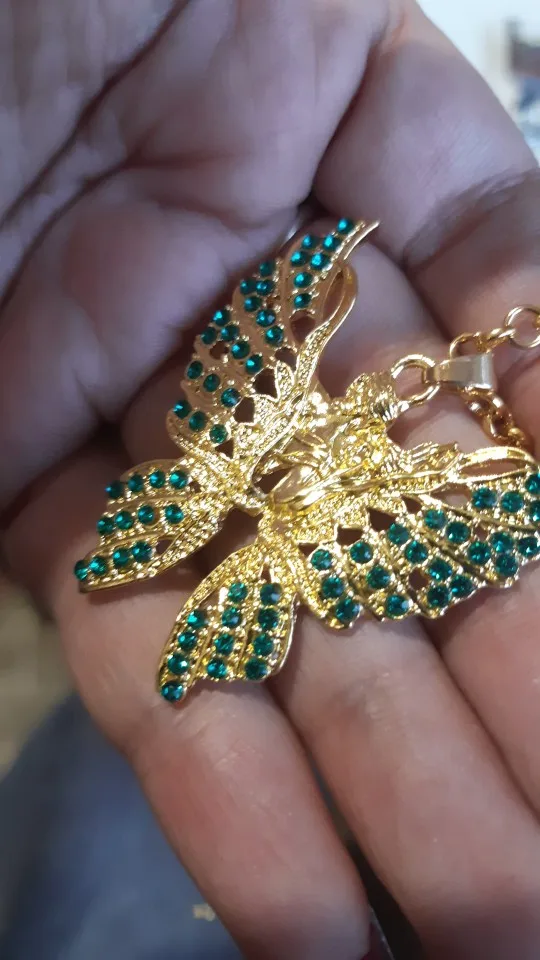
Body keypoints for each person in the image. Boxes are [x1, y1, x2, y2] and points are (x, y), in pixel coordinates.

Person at [1, 2, 540, 957]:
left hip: (259, 521)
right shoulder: (328, 409)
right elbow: (293, 310)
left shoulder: (386, 472)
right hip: (233, 488)